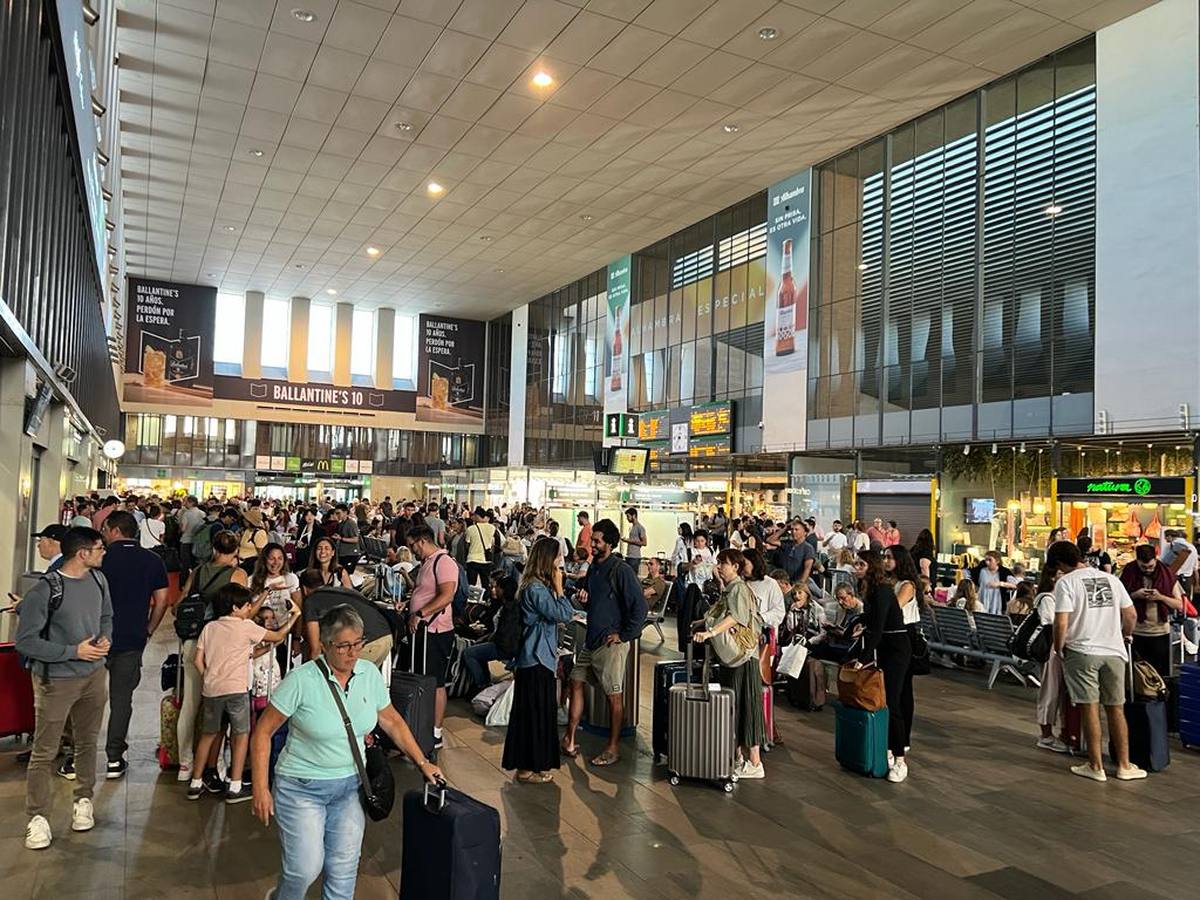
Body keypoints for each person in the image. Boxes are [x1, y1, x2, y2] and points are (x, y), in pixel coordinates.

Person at [251, 606, 444, 900]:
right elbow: (263, 732)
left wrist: (422, 762)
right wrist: (260, 788)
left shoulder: (368, 674)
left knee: (343, 869)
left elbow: (392, 720)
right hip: (301, 788)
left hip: (351, 787)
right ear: (325, 645)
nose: (353, 653)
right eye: (343, 646)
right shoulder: (301, 680)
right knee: (304, 869)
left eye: (358, 643)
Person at [17, 527, 112, 850]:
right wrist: (73, 652)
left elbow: (107, 616)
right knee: (45, 750)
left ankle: (84, 799)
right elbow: (26, 642)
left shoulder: (99, 581)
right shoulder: (45, 590)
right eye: (99, 548)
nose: (104, 553)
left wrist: (105, 638)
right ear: (82, 553)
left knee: (87, 742)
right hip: (56, 680)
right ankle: (37, 816)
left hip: (94, 675)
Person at [1049, 540, 1146, 782]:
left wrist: (1059, 648)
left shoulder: (1066, 583)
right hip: (1114, 651)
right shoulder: (1111, 579)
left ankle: (1095, 766)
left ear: (1060, 563)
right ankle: (1124, 765)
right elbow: (1131, 614)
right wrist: (1125, 635)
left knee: (1089, 707)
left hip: (1082, 651)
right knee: (1116, 708)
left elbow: (1061, 622)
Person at [189, 583, 294, 803]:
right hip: (237, 690)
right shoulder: (246, 626)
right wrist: (294, 616)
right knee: (241, 735)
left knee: (208, 735)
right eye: (246, 605)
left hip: (211, 690)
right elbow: (277, 636)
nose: (249, 609)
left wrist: (209, 678)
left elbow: (198, 660)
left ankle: (196, 783)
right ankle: (235, 785)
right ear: (235, 608)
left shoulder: (209, 628)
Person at [562, 518, 646, 767]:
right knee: (576, 681)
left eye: (597, 541)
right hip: (592, 640)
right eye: (593, 540)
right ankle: (569, 738)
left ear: (609, 543)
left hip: (611, 644)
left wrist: (624, 635)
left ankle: (613, 747)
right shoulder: (594, 569)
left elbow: (639, 606)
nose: (593, 545)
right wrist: (584, 598)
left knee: (613, 696)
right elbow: (593, 599)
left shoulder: (621, 570)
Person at [98, 511, 169, 780]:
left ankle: (74, 756)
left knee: (83, 698)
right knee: (121, 700)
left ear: (115, 530)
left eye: (105, 529)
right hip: (131, 638)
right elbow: (162, 601)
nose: (103, 534)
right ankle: (114, 758)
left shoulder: (99, 558)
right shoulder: (152, 561)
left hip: (93, 639)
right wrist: (149, 629)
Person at [176, 530, 249, 787]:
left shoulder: (197, 572)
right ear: (236, 550)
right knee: (219, 709)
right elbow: (243, 611)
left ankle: (185, 764)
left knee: (190, 704)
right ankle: (214, 765)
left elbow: (178, 604)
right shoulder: (237, 575)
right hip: (221, 647)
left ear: (213, 548)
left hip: (193, 641)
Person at [503, 538, 576, 783]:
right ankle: (528, 768)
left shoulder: (533, 586)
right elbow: (563, 613)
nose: (560, 562)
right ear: (548, 559)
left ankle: (535, 765)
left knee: (536, 713)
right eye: (557, 557)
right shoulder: (536, 589)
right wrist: (560, 588)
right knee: (535, 715)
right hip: (536, 658)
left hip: (534, 658)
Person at [694, 548, 766, 779]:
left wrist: (710, 632)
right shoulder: (730, 589)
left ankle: (754, 762)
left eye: (723, 563)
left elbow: (736, 617)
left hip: (743, 657)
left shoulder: (738, 589)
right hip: (734, 658)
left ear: (735, 566)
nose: (719, 567)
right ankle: (737, 758)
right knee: (735, 705)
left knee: (746, 704)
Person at [852, 549, 912, 783]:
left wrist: (863, 658)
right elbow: (872, 619)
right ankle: (887, 748)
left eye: (861, 564)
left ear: (871, 567)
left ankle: (900, 759)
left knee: (892, 702)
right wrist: (858, 623)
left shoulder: (883, 590)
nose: (856, 568)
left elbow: (878, 627)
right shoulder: (872, 589)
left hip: (897, 649)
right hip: (886, 647)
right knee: (883, 700)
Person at [407, 525, 459, 750]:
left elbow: (447, 595)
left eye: (412, 545)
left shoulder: (444, 562)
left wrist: (421, 613)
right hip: (423, 630)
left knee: (436, 682)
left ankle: (436, 731)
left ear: (422, 541)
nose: (412, 550)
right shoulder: (427, 563)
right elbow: (425, 592)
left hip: (436, 630)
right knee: (424, 678)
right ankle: (422, 723)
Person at [298, 569, 393, 668]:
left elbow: (315, 650)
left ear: (304, 588)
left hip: (368, 641)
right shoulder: (339, 591)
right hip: (386, 636)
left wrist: (309, 673)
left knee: (340, 671)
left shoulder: (311, 601)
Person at [1118, 543, 1183, 678]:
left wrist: (1161, 597)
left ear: (1156, 559)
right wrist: (1135, 595)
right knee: (1137, 675)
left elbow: (1179, 604)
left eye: (1151, 566)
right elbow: (1118, 601)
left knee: (1160, 675)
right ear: (1137, 561)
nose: (1148, 570)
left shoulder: (1167, 574)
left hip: (1160, 632)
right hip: (1135, 632)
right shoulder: (1129, 573)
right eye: (1143, 567)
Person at [882, 545, 921, 761]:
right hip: (889, 635)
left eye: (890, 557)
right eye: (884, 557)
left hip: (904, 634)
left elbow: (894, 608)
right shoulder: (887, 582)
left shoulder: (907, 585)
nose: (886, 561)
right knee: (896, 688)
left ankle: (901, 739)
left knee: (901, 690)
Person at [1032, 561, 1069, 753]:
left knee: (1060, 692)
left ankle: (1065, 732)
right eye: (1062, 574)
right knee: (1050, 690)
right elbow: (1051, 624)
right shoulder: (1048, 598)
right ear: (1053, 577)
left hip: (1062, 648)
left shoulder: (1062, 596)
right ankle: (1046, 735)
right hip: (1052, 649)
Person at [462, 571, 515, 693]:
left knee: (469, 653)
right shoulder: (503, 605)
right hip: (500, 642)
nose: (493, 590)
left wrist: (487, 637)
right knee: (477, 648)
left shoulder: (510, 609)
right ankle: (484, 682)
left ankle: (481, 684)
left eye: (496, 587)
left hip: (504, 647)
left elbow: (503, 633)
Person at [250, 543, 302, 629]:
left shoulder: (291, 578)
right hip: (259, 631)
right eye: (272, 558)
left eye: (280, 558)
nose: (276, 562)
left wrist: (297, 635)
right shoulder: (251, 580)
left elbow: (298, 610)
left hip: (285, 629)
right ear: (264, 560)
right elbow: (249, 614)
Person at [744, 549, 786, 634]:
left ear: (755, 563)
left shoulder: (770, 583)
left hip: (763, 631)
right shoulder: (741, 583)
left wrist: (761, 618)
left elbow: (779, 611)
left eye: (745, 564)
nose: (743, 567)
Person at [973, 551, 1021, 616]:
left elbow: (1016, 585)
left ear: (997, 561)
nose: (987, 562)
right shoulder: (981, 571)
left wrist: (1000, 584)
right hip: (983, 601)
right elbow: (976, 584)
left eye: (990, 560)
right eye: (986, 560)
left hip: (998, 603)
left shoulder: (1004, 572)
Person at [465, 507, 499, 588]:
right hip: (486, 559)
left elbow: (467, 544)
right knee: (486, 584)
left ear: (477, 516)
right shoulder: (492, 528)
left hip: (472, 559)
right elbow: (494, 542)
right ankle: (486, 596)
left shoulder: (470, 529)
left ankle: (472, 596)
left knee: (471, 585)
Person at [177, 496, 206, 583]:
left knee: (185, 564)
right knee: (195, 564)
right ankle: (195, 583)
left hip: (186, 540)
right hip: (198, 542)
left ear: (191, 503)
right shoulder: (202, 513)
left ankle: (183, 583)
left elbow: (183, 529)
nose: (185, 504)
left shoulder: (186, 513)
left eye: (186, 502)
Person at [1162, 528, 1198, 596]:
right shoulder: (1193, 548)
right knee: (1186, 599)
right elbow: (1195, 568)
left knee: (1173, 599)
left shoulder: (1170, 545)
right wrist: (1197, 584)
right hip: (1187, 580)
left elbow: (1163, 562)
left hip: (1173, 578)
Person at [238, 507, 270, 574]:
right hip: (241, 563)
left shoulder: (260, 533)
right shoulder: (247, 530)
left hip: (250, 566)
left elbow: (261, 554)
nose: (243, 520)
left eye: (245, 519)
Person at [330, 504, 360, 572]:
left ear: (345, 512)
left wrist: (341, 538)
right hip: (342, 553)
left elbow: (355, 539)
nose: (337, 515)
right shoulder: (341, 523)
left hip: (350, 554)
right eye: (336, 513)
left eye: (338, 513)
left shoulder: (351, 523)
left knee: (346, 573)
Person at [621, 507, 647, 574]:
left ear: (634, 516)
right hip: (629, 555)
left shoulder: (640, 528)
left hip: (635, 557)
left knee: (632, 575)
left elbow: (644, 543)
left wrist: (629, 541)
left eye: (628, 516)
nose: (627, 518)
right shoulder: (632, 527)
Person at [293, 507, 318, 571]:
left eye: (311, 515)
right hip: (301, 556)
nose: (309, 517)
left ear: (314, 516)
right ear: (304, 517)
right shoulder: (301, 529)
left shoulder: (320, 530)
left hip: (313, 557)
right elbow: (298, 540)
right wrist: (298, 543)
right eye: (307, 515)